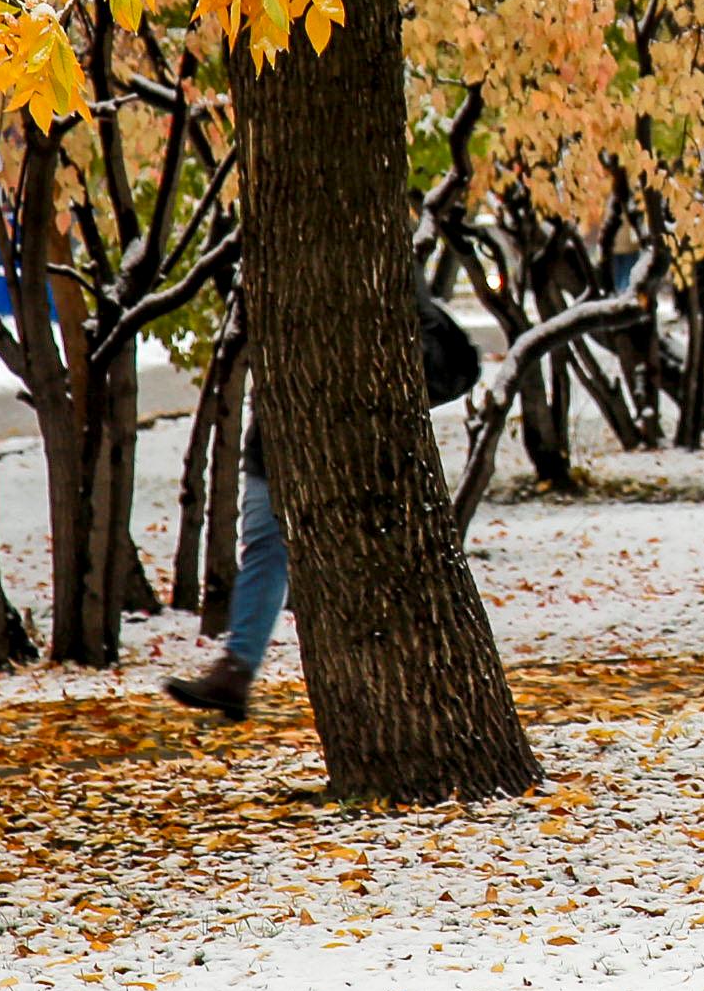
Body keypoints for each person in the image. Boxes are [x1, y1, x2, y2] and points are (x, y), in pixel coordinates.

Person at [166, 298, 485, 721]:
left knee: (354, 563)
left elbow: (449, 361)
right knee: (265, 550)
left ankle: (393, 680)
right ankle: (236, 672)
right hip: (278, 444)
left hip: (348, 451)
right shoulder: (266, 276)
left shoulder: (384, 281)